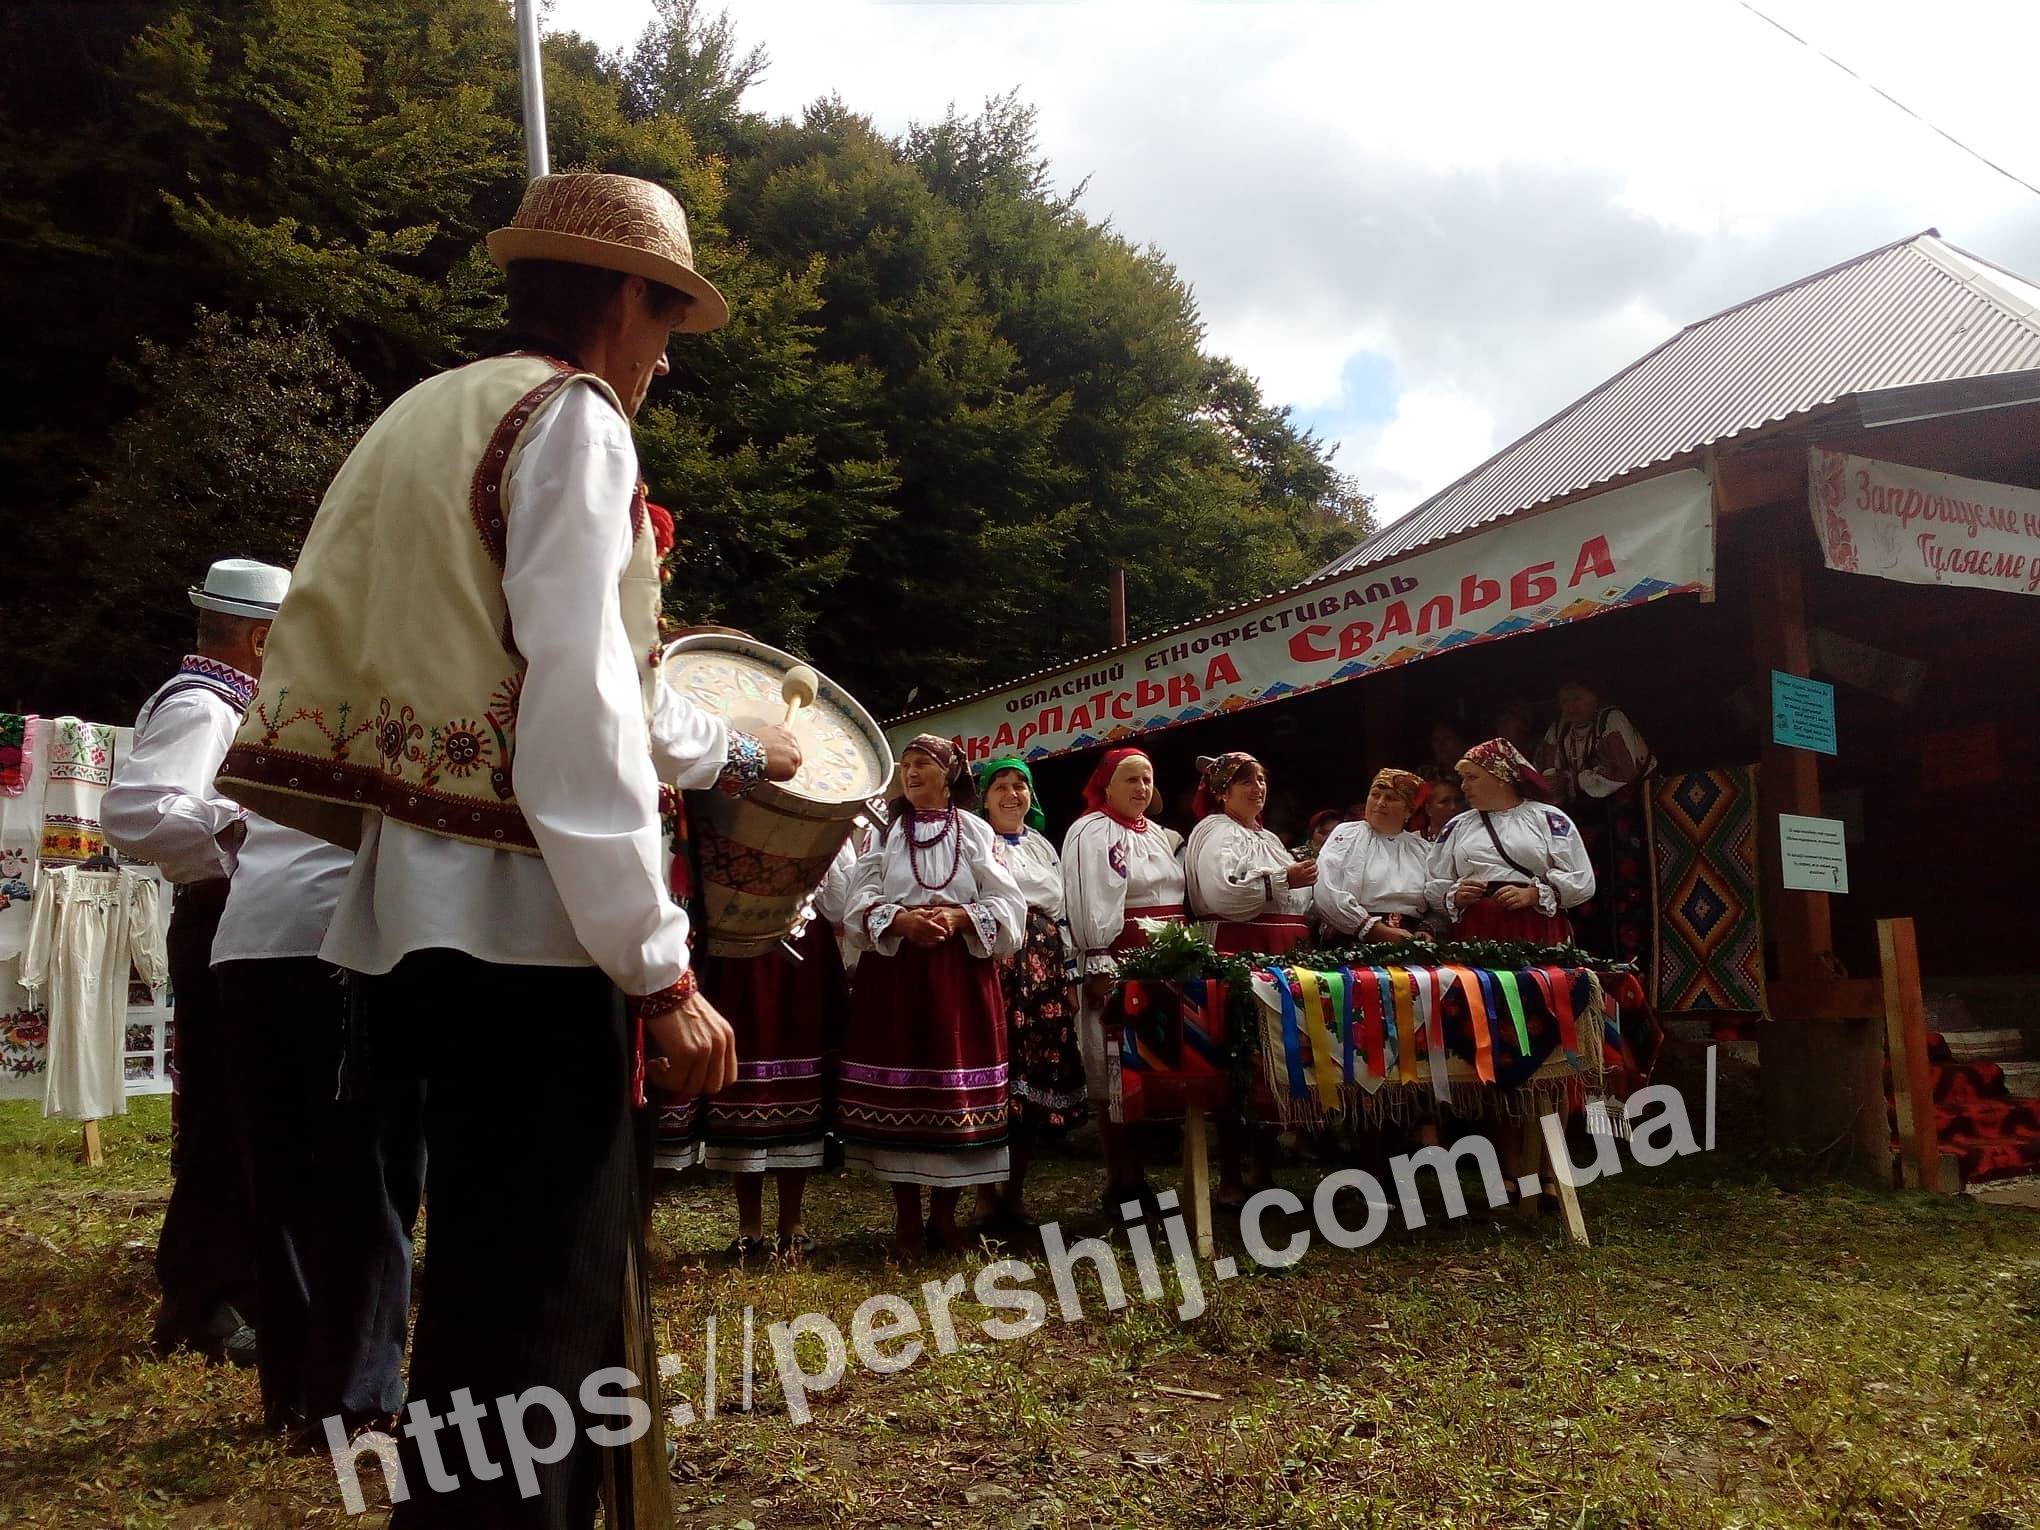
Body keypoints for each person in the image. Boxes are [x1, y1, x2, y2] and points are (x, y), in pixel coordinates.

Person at [215, 172, 798, 1528]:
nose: (664, 359)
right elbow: (578, 708)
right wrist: (657, 966)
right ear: (619, 299)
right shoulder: (575, 420)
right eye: (667, 321)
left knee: (494, 1306)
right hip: (532, 929)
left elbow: (580, 676)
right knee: (534, 1312)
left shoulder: (421, 414)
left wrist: (728, 749)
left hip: (411, 919)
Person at [103, 558, 288, 1368]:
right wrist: (248, 825)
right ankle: (208, 1297)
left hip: (225, 915)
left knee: (234, 1107)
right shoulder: (205, 707)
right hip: (221, 914)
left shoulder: (219, 700)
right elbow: (138, 812)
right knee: (228, 1111)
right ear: (260, 638)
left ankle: (210, 1290)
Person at [211, 805, 410, 1450]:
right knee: (372, 1171)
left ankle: (298, 1388)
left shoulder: (273, 702)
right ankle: (352, 1400)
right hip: (341, 934)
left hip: (255, 931)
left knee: (283, 1175)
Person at [839, 736, 1026, 1255]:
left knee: (956, 1091)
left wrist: (961, 915)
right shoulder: (884, 834)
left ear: (949, 776)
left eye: (923, 764)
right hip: (897, 973)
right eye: (906, 765)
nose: (911, 772)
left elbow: (1009, 904)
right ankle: (905, 1218)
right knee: (904, 1091)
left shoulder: (977, 831)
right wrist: (898, 919)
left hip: (959, 974)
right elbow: (857, 900)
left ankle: (944, 1216)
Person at [1061, 748, 1185, 1214]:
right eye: (1131, 779)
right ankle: (1123, 1182)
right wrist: (1096, 961)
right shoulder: (1091, 831)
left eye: (1148, 779)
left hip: (1163, 965)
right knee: (1115, 1072)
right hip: (1118, 962)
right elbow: (1087, 895)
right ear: (1107, 785)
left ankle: (1145, 1178)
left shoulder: (1157, 834)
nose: (1141, 788)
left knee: (1151, 1070)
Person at [975, 756, 1083, 1235]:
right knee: (987, 1070)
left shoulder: (1042, 846)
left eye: (1021, 786)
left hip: (1042, 965)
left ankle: (1014, 1195)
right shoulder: (973, 842)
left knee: (1032, 1074)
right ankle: (982, 1195)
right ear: (984, 796)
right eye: (1001, 785)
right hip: (991, 962)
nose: (1012, 794)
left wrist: (1072, 976)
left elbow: (1062, 913)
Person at [1535, 679, 1656, 966]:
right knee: (1583, 887)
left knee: (1622, 886)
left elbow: (1625, 769)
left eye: (1577, 698)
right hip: (1580, 818)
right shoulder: (1560, 729)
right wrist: (1557, 781)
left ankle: (1629, 962)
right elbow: (1546, 771)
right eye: (1564, 700)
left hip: (1618, 817)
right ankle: (1588, 959)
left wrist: (1577, 779)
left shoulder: (1610, 719)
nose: (1570, 707)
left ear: (1596, 696)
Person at [1428, 739, 1595, 942]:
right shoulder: (1457, 826)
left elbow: (1581, 878)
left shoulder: (1548, 818)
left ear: (1500, 777)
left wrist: (1534, 895)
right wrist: (1454, 897)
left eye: (1472, 777)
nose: (1464, 786)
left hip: (1536, 927)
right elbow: (1435, 879)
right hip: (1477, 929)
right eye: (1463, 778)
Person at [1182, 753, 1316, 957]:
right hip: (1242, 946)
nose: (1258, 788)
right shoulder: (1218, 830)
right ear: (1223, 793)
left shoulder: (1268, 838)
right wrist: (1284, 879)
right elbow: (1224, 891)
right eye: (1246, 782)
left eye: (1261, 780)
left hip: (1285, 946)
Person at [1312, 768, 1433, 941]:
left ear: (1408, 811)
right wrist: (1371, 929)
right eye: (1375, 795)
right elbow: (1326, 887)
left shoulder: (1422, 849)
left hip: (1408, 938)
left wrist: (1428, 929)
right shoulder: (1348, 834)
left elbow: (1436, 898)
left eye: (1391, 798)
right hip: (1351, 934)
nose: (1380, 803)